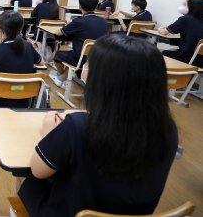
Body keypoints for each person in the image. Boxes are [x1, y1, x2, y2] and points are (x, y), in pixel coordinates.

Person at [18, 34, 178, 216]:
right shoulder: (168, 128)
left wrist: (49, 134)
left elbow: (38, 171)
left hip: (70, 212)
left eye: (88, 64)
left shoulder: (77, 126)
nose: (84, 68)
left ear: (104, 80)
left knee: (23, 176)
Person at [50, 0, 108, 88]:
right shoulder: (103, 21)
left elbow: (58, 33)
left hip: (81, 59)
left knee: (57, 55)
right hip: (99, 57)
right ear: (96, 6)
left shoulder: (79, 22)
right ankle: (63, 77)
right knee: (75, 54)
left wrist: (69, 24)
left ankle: (61, 78)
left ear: (80, 6)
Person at [158, 0, 203, 67]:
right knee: (167, 44)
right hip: (199, 60)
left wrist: (159, 29)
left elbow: (164, 32)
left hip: (184, 56)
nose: (181, 7)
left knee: (161, 46)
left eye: (184, 5)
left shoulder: (185, 19)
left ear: (192, 7)